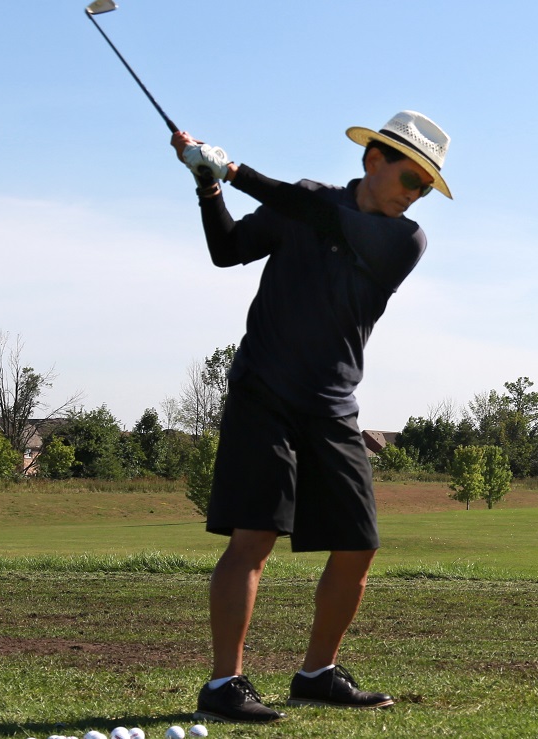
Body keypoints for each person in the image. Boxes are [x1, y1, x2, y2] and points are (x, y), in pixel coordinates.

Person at [168, 111, 453, 723]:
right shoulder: (302, 203)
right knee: (254, 537)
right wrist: (208, 184)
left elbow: (318, 214)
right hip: (263, 393)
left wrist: (234, 169)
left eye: (426, 188)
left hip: (332, 404)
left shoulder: (405, 240)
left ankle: (317, 674)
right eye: (412, 179)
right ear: (374, 160)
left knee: (357, 545)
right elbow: (228, 250)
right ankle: (223, 684)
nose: (415, 195)